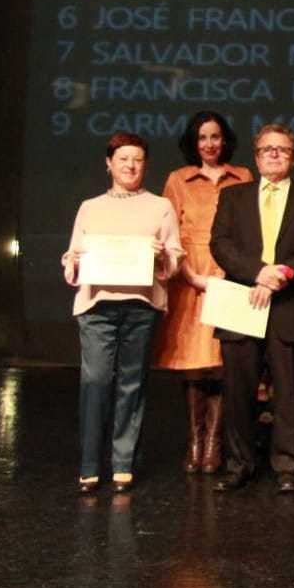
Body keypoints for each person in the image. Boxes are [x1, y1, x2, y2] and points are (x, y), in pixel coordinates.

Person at [209, 125, 294, 494]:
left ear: (293, 157)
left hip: (290, 301)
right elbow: (220, 243)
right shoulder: (233, 196)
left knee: (290, 390)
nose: (274, 155)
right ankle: (239, 463)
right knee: (239, 388)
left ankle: (288, 464)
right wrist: (258, 273)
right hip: (242, 301)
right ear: (256, 155)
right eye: (267, 149)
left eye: (282, 150)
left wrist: (281, 275)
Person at [61, 132, 183, 494]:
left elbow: (175, 258)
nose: (131, 166)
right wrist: (75, 261)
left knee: (131, 384)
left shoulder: (159, 206)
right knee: (96, 381)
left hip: (141, 306)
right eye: (124, 159)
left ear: (145, 164)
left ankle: (123, 463)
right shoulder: (90, 206)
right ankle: (89, 464)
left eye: (138, 160)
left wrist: (162, 256)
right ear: (109, 162)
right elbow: (72, 258)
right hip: (97, 307)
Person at [153, 111, 251, 474]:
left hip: (232, 276)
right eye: (202, 138)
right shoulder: (177, 180)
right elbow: (168, 236)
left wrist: (237, 274)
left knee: (225, 364)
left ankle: (214, 443)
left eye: (215, 137)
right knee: (194, 366)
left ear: (225, 139)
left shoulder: (243, 176)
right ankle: (195, 440)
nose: (210, 144)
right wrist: (191, 276)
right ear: (193, 143)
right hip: (190, 278)